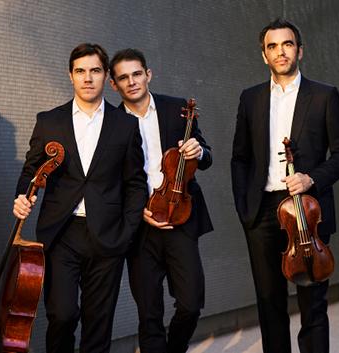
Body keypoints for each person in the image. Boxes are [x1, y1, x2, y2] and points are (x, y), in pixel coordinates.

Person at [231, 18, 339, 353]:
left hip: (308, 211)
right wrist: (246, 210)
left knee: (313, 302)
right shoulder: (251, 98)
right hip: (262, 214)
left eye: (287, 44)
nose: (280, 52)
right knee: (269, 303)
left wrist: (312, 177)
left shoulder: (324, 96)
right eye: (272, 46)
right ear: (264, 55)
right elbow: (240, 158)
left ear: (299, 50)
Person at [13, 43, 148, 353]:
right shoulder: (50, 121)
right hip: (62, 233)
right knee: (62, 314)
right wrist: (23, 195)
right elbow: (31, 171)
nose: (88, 78)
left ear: (105, 77)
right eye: (80, 71)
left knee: (98, 322)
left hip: (108, 234)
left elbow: (135, 183)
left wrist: (126, 232)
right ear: (70, 76)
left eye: (95, 71)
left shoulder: (126, 125)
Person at [109, 48, 213, 353]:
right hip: (139, 225)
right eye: (123, 78)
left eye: (137, 74)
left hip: (180, 217)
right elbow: (107, 179)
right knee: (149, 313)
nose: (132, 82)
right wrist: (135, 211)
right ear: (114, 85)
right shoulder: (111, 122)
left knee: (191, 303)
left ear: (148, 74)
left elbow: (206, 156)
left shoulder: (177, 109)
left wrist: (199, 151)